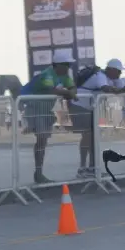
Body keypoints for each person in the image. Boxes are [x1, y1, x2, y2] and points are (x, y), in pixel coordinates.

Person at [18, 49, 78, 184]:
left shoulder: (65, 76)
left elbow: (72, 87)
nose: (69, 67)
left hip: (45, 110)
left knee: (43, 140)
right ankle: (38, 172)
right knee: (42, 137)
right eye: (67, 64)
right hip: (34, 108)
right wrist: (69, 93)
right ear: (58, 64)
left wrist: (70, 92)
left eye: (69, 65)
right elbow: (54, 90)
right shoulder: (47, 75)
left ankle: (38, 172)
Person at [72, 59, 125, 178]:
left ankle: (92, 167)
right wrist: (122, 89)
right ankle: (82, 168)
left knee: (92, 138)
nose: (120, 74)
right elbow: (106, 88)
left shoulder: (113, 79)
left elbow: (122, 90)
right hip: (79, 106)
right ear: (111, 70)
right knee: (87, 136)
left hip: (90, 108)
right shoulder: (100, 76)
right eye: (118, 71)